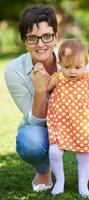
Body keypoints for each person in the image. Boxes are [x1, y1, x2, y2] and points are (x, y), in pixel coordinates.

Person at [4, 4, 60, 192]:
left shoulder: (73, 59)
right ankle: (44, 170)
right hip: (41, 129)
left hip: (73, 122)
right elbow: (35, 120)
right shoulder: (14, 70)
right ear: (24, 41)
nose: (41, 44)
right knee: (30, 141)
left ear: (56, 37)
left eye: (46, 36)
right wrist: (40, 90)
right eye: (32, 38)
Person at [47, 39, 89, 197]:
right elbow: (46, 86)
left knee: (84, 155)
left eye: (78, 67)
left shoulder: (86, 79)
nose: (72, 72)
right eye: (67, 67)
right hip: (61, 125)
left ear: (86, 65)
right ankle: (60, 180)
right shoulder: (58, 78)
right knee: (54, 152)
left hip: (82, 126)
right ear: (60, 64)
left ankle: (83, 184)